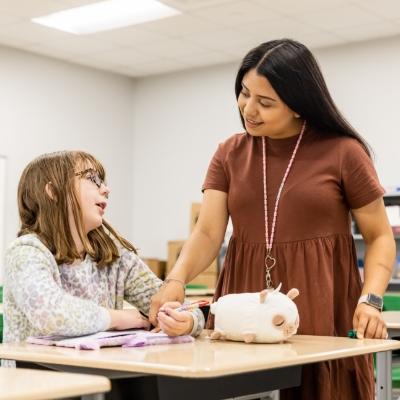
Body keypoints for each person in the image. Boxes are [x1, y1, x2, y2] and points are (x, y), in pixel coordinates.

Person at [149, 39, 396, 399]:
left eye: (265, 103)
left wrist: (370, 300)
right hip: (244, 302)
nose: (248, 108)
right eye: (244, 93)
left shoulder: (344, 152)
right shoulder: (230, 153)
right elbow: (207, 233)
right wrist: (176, 279)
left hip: (321, 301)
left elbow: (379, 236)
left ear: (299, 106)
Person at [3, 150, 204, 350]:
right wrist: (117, 318)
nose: (106, 189)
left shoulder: (114, 258)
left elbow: (181, 305)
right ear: (54, 192)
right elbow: (49, 313)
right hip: (38, 377)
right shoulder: (26, 252)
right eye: (93, 179)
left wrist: (186, 322)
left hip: (99, 374)